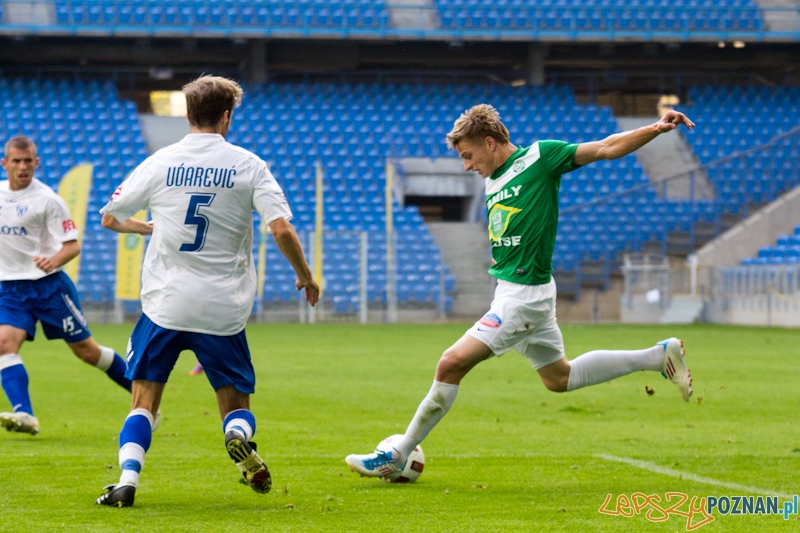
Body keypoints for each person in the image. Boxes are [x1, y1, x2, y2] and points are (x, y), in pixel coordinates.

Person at [345, 104, 695, 479]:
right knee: (558, 378)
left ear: (491, 143)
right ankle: (658, 357)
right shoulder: (492, 178)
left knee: (450, 363)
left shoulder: (540, 157)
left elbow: (606, 147)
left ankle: (396, 454)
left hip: (524, 295)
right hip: (517, 292)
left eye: (468, 155)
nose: (466, 165)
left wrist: (656, 129)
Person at [95, 75, 319, 507]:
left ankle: (127, 480)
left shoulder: (161, 162)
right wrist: (305, 275)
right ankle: (237, 436)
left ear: (187, 114)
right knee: (236, 402)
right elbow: (280, 228)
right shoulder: (249, 165)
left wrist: (144, 226)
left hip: (165, 306)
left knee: (143, 401)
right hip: (222, 309)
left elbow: (109, 217)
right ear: (227, 117)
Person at [0, 136, 135, 437]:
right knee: (3, 345)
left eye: (28, 161)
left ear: (36, 163)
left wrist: (52, 261)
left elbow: (71, 246)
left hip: (49, 287)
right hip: (10, 289)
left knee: (88, 352)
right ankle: (25, 415)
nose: (22, 167)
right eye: (16, 161)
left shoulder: (48, 200)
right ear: (5, 163)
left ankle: (143, 398)